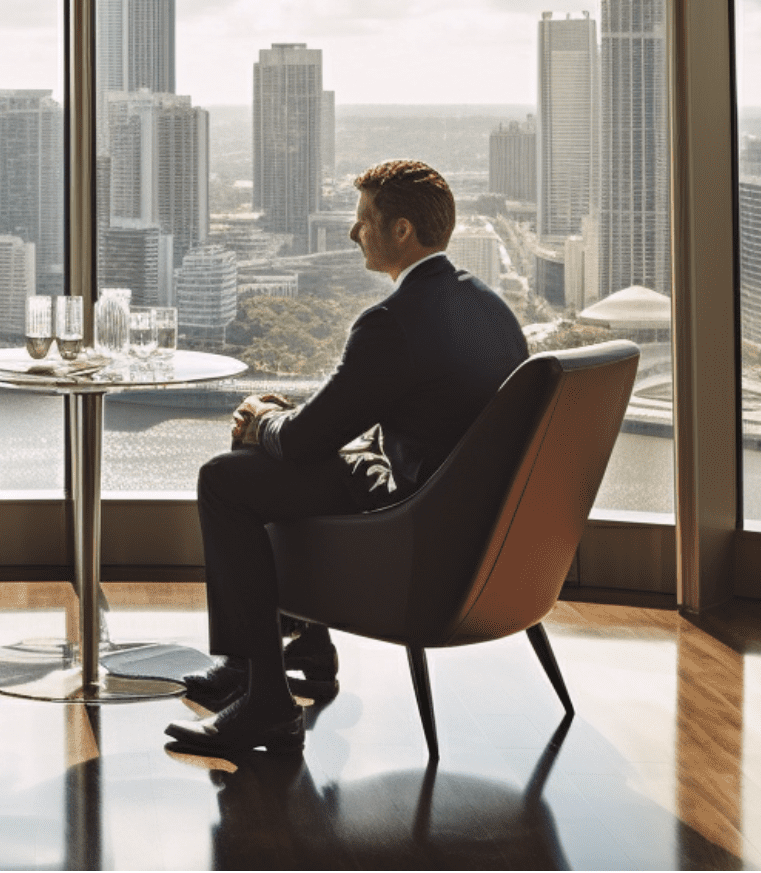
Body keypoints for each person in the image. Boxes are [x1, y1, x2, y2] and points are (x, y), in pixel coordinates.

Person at [165, 159, 529, 756]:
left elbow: (307, 441)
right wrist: (283, 424)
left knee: (228, 478)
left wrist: (264, 419)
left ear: (402, 231)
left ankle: (265, 695)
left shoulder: (392, 323)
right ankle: (288, 653)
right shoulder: (486, 305)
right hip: (465, 516)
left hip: (412, 519)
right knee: (272, 447)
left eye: (364, 220)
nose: (353, 233)